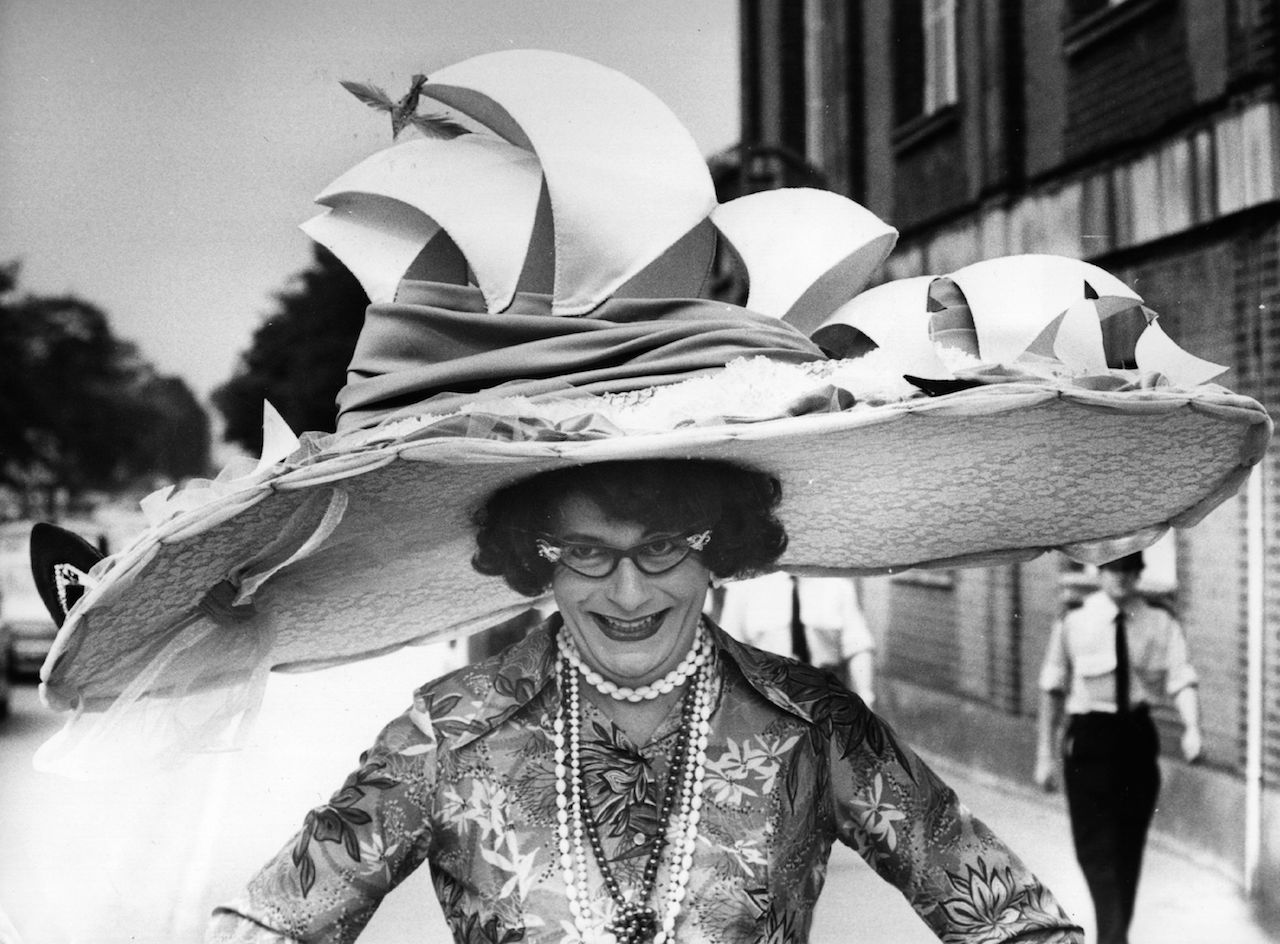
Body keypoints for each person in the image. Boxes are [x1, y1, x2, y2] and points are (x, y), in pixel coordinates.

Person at [209, 459, 1079, 942]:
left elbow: (1014, 920)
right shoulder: (448, 733)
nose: (628, 593)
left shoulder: (815, 726)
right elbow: (273, 922)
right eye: (585, 552)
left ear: (719, 551)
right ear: (537, 557)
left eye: (662, 547)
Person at [1034, 552, 1202, 944]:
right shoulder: (1074, 619)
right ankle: (1113, 938)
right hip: (1090, 741)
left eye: (1129, 570)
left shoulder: (1160, 621)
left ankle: (1113, 936)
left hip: (1136, 740)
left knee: (1127, 851)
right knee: (1095, 850)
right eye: (1113, 569)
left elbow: (1182, 677)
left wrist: (1192, 726)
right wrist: (1044, 754)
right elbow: (1053, 687)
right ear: (1099, 571)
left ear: (1140, 573)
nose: (1121, 579)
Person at [719, 572, 876, 706]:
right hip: (768, 697)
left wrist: (865, 697)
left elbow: (858, 647)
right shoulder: (744, 588)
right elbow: (728, 652)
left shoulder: (838, 586)